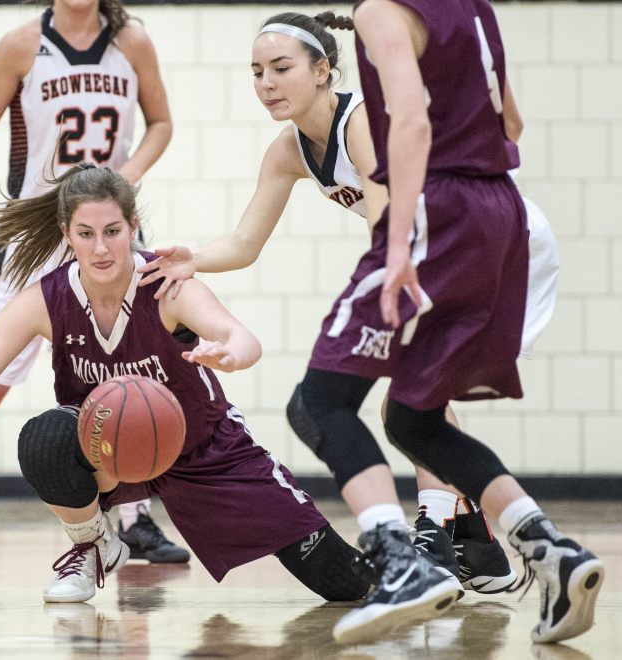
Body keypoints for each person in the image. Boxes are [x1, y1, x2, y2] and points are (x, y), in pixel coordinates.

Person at [143, 4, 599, 645]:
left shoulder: (361, 116)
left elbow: (397, 193)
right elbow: (246, 241)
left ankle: (417, 550)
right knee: (414, 411)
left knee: (320, 404)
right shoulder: (290, 150)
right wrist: (193, 255)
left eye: (281, 68)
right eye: (255, 72)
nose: (267, 83)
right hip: (505, 227)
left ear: (325, 69)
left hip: (439, 232)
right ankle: (529, 549)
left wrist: (395, 260)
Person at [0, 164, 373, 605]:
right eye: (86, 234)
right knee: (46, 437)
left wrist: (231, 354)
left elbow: (239, 336)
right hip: (112, 453)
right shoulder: (45, 299)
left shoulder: (166, 286)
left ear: (133, 228)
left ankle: (422, 568)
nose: (101, 248)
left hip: (204, 450)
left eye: (113, 231)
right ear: (67, 235)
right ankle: (95, 544)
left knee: (344, 583)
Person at [0, 0, 187, 568]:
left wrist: (127, 175)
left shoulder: (133, 43)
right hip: (34, 234)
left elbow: (162, 122)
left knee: (127, 378)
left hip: (107, 230)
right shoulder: (21, 44)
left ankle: (137, 521)